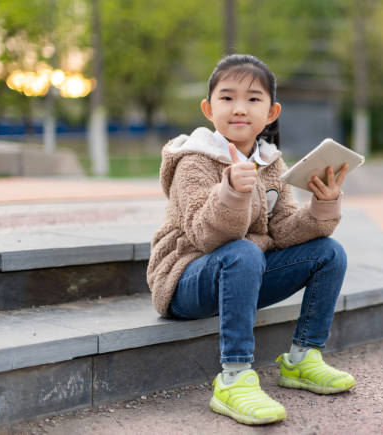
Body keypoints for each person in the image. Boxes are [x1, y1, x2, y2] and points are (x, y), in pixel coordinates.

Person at [147, 54, 355, 426]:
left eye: (253, 99)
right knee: (241, 252)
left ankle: (302, 358)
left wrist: (322, 206)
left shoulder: (271, 163)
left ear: (271, 112)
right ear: (208, 109)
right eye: (227, 98)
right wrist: (231, 193)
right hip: (186, 280)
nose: (240, 108)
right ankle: (234, 377)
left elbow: (283, 232)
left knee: (328, 252)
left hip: (245, 274)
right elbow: (206, 238)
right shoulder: (194, 160)